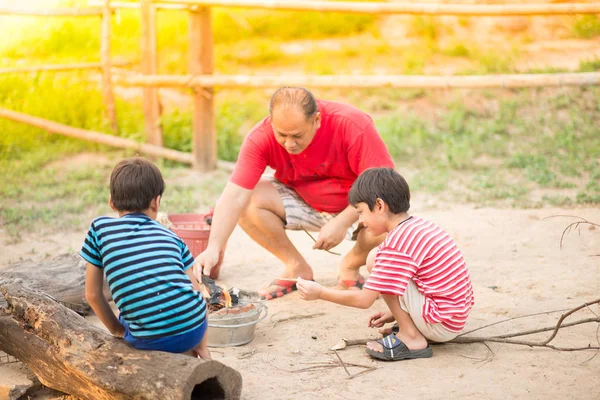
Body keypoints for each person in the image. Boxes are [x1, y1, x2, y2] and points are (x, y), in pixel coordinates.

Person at [195, 87, 395, 300]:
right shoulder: (260, 137)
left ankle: (350, 264)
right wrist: (213, 248)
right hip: (304, 199)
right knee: (248, 198)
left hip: (355, 206)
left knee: (389, 211)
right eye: (282, 135)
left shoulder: (351, 124)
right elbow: (234, 195)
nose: (289, 144)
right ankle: (296, 266)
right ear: (271, 122)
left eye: (297, 136)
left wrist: (343, 222)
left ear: (316, 120)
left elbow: (384, 185)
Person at [297, 168, 474, 361]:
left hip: (442, 324)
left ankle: (411, 337)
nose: (361, 220)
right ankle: (410, 325)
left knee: (378, 260)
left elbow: (365, 300)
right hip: (453, 317)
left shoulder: (398, 243)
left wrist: (320, 293)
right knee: (377, 258)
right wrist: (395, 313)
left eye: (361, 212)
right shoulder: (418, 226)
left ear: (379, 205)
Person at [80, 157, 211, 359]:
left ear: (111, 202)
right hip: (192, 329)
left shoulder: (99, 230)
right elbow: (195, 289)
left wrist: (117, 330)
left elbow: (93, 295)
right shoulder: (172, 236)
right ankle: (201, 350)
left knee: (130, 313)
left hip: (147, 339)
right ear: (156, 202)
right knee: (190, 308)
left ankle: (173, 353)